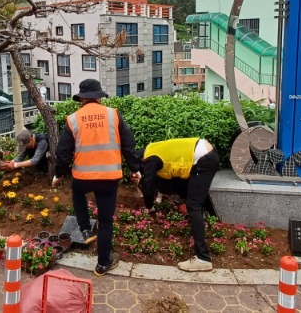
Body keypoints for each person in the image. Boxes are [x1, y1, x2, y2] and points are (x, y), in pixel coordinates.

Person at [52, 79, 141, 277]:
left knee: (77, 191)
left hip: (83, 177)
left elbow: (63, 153)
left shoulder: (73, 119)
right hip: (109, 178)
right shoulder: (113, 115)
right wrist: (135, 169)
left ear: (81, 98)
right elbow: (128, 145)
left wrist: (58, 174)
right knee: (106, 220)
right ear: (99, 97)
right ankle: (102, 264)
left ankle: (85, 229)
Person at [136, 137, 220, 272]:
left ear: (141, 161)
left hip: (204, 159)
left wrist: (149, 206)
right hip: (204, 154)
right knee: (193, 201)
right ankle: (201, 232)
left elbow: (148, 184)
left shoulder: (150, 159)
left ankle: (203, 258)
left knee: (193, 205)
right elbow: (164, 177)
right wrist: (159, 198)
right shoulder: (153, 148)